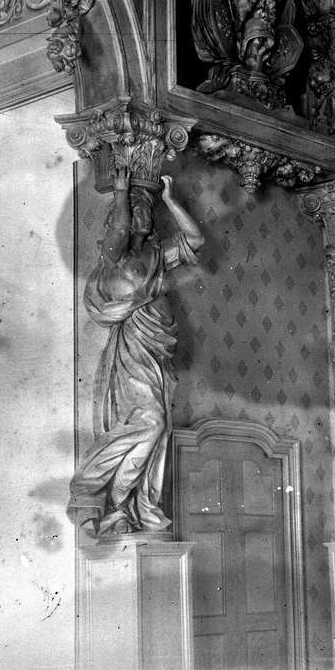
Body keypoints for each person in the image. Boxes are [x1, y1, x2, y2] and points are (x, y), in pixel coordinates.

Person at [67, 173, 203, 536]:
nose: (144, 214)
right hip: (132, 348)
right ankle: (92, 489)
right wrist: (122, 192)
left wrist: (170, 200)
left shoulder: (156, 255)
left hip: (157, 351)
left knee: (157, 429)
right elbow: (118, 230)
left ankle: (121, 506)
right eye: (136, 209)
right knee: (151, 423)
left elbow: (195, 239)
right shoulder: (116, 257)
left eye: (147, 210)